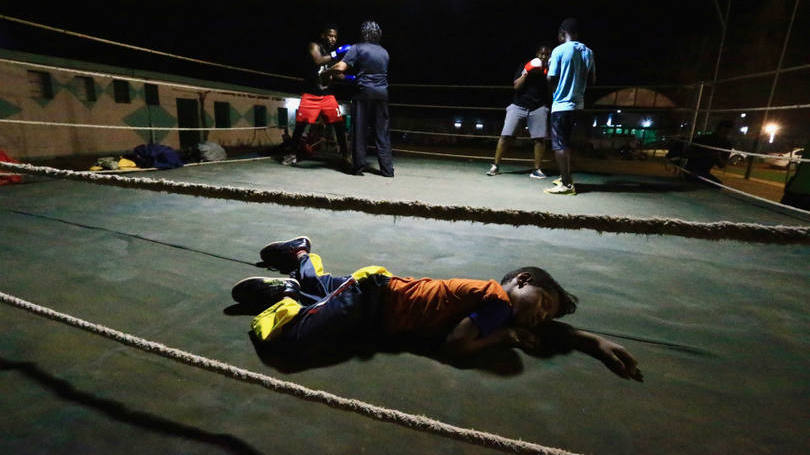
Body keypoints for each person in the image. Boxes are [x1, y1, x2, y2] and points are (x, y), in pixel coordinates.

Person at [230, 236, 644, 381]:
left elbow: (532, 325)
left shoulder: (495, 302)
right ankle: (285, 298)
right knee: (294, 342)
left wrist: (591, 340)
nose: (540, 317)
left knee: (319, 291)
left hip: (376, 290)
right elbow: (457, 345)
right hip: (370, 301)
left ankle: (301, 255)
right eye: (544, 306)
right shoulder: (498, 304)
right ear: (522, 281)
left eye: (545, 318)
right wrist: (504, 336)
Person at [327, 21, 394, 177]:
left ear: (363, 33)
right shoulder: (385, 52)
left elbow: (340, 67)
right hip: (382, 93)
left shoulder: (357, 47)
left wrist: (326, 72)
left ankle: (358, 168)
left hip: (363, 93)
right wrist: (353, 77)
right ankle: (387, 170)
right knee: (382, 132)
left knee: (360, 130)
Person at [282, 25, 352, 167]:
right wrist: (337, 53)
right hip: (311, 94)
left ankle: (346, 156)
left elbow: (336, 73)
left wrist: (353, 78)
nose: (333, 39)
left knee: (339, 125)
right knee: (301, 126)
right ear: (323, 35)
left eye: (335, 37)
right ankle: (292, 154)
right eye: (330, 35)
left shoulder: (333, 54)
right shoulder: (314, 46)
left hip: (327, 96)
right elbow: (318, 61)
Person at [545, 18, 595, 195]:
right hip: (578, 105)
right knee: (566, 143)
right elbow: (592, 80)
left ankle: (566, 184)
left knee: (559, 145)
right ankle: (565, 176)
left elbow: (551, 78)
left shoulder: (559, 50)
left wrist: (555, 94)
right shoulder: (588, 52)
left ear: (561, 33)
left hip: (561, 105)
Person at [486, 45, 552, 179]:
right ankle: (495, 166)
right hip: (518, 105)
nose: (543, 57)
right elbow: (516, 86)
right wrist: (527, 72)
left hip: (538, 107)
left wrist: (547, 73)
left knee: (540, 139)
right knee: (505, 136)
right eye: (541, 54)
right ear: (537, 54)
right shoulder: (526, 65)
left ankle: (537, 169)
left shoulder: (550, 69)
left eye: (546, 55)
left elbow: (552, 89)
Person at [683, 120, 733, 185]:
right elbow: (687, 153)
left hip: (704, 172)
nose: (727, 130)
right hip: (692, 169)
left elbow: (721, 165)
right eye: (725, 128)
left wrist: (717, 156)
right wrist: (704, 153)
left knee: (718, 184)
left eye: (729, 128)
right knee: (715, 184)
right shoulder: (705, 138)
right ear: (719, 128)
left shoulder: (727, 144)